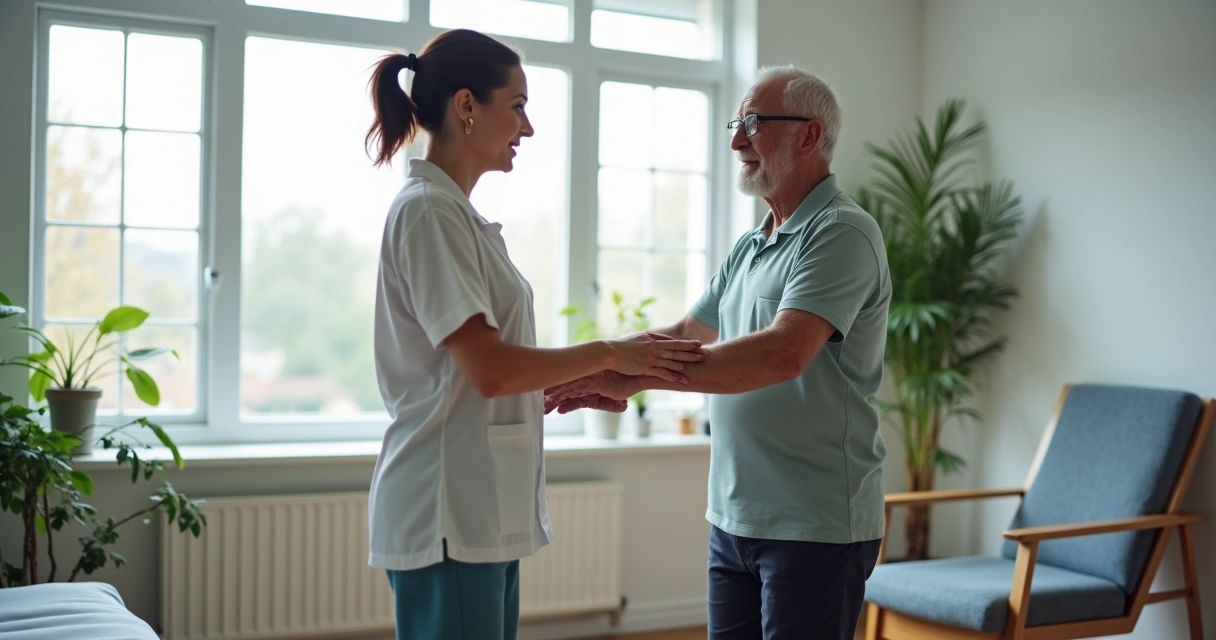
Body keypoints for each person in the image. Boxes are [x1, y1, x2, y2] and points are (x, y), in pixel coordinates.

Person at [364, 29, 705, 640]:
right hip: (450, 509)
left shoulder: (455, 215)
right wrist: (608, 350)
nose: (528, 128)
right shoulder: (429, 212)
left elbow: (487, 368)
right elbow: (490, 370)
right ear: (467, 106)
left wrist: (595, 375)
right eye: (518, 106)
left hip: (477, 508)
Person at [546, 66, 892, 639]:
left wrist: (641, 378)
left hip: (816, 524)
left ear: (809, 136)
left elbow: (784, 353)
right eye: (738, 124)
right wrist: (607, 369)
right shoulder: (752, 244)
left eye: (753, 124)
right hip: (733, 517)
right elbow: (687, 330)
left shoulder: (842, 233)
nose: (736, 141)